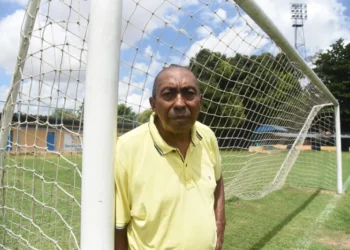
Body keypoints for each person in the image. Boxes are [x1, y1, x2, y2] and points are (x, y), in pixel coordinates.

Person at [114, 65, 226, 250]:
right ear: (153, 104)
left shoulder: (207, 136)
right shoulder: (127, 148)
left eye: (188, 93)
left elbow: (218, 179)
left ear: (200, 101)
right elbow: (119, 226)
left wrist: (220, 227)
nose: (180, 103)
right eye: (169, 94)